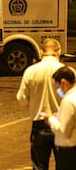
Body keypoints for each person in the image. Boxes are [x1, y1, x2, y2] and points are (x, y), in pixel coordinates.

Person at [16, 38, 64, 170]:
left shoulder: (31, 71)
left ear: (42, 52)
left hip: (40, 123)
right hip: (62, 125)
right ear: (58, 51)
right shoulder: (66, 72)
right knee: (65, 164)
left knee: (39, 166)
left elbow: (21, 99)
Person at [44, 66, 76, 170]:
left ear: (63, 83)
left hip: (69, 152)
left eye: (56, 87)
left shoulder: (68, 100)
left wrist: (50, 119)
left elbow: (63, 131)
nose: (57, 90)